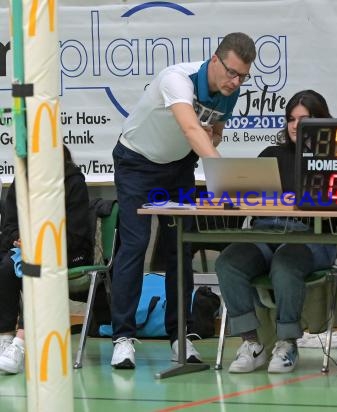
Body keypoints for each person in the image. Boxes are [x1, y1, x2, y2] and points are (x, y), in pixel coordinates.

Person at [110, 32, 256, 369]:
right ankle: (122, 338)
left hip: (177, 167)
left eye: (243, 76)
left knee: (180, 246)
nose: (236, 81)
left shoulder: (228, 91)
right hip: (136, 163)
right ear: (215, 60)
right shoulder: (178, 79)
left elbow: (213, 131)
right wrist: (228, 180)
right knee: (135, 243)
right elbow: (191, 129)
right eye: (231, 72)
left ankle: (181, 336)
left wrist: (214, 135)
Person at [214, 90, 337, 373]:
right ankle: (252, 343)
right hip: (265, 232)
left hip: (310, 236)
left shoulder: (334, 158)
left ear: (322, 121)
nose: (295, 125)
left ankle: (286, 343)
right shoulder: (271, 154)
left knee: (284, 264)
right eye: (291, 119)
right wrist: (235, 197)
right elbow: (251, 200)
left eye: (304, 119)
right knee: (228, 262)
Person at [0, 145, 92, 374]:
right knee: (5, 268)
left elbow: (77, 233)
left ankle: (20, 345)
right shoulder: (22, 180)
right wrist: (18, 239)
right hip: (25, 250)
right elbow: (9, 224)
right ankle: (5, 338)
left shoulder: (73, 182)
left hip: (66, 253)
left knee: (35, 271)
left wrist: (42, 244)